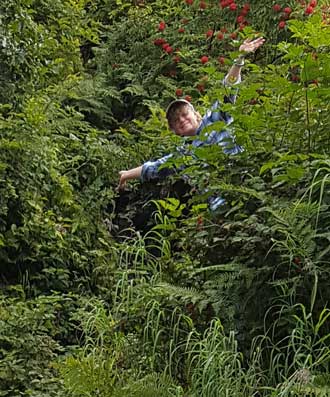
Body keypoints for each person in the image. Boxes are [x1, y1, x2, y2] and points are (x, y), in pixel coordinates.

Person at [118, 37, 265, 210]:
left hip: (247, 186)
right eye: (175, 120)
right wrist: (127, 174)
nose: (181, 119)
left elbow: (229, 90)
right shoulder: (183, 154)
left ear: (197, 115)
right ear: (175, 132)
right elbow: (155, 168)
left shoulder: (216, 118)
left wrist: (239, 59)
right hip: (223, 208)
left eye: (183, 114)